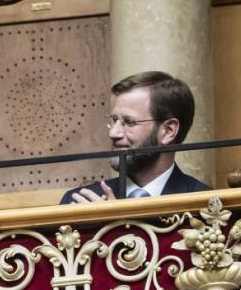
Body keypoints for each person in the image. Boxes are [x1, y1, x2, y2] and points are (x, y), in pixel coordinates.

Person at [60, 71, 211, 204]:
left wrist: (115, 222)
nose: (113, 133)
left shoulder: (206, 205)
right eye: (114, 120)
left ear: (168, 131)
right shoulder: (79, 202)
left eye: (129, 122)